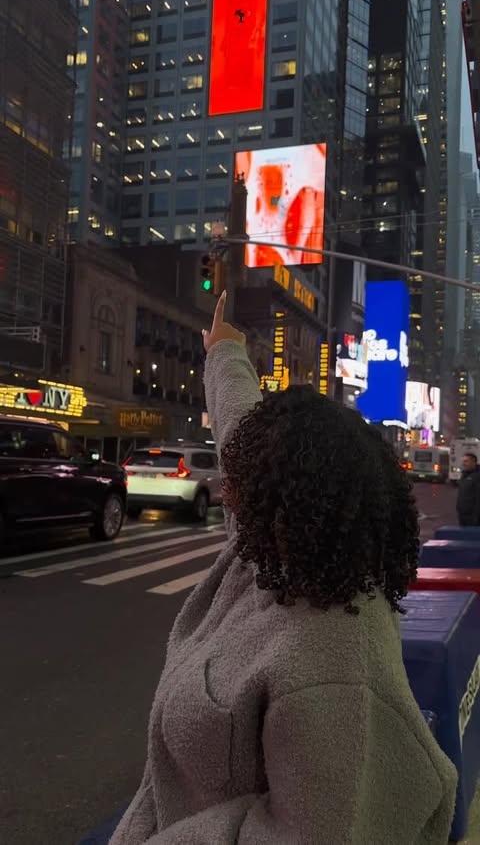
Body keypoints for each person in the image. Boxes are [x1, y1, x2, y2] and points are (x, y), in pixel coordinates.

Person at [110, 292, 457, 845]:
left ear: (289, 500)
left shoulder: (333, 659)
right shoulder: (276, 552)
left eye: (245, 479)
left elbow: (320, 833)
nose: (227, 490)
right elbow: (240, 429)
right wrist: (225, 353)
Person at [457, 452, 480, 526]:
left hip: (473, 517)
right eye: (463, 461)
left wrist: (476, 518)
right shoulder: (464, 475)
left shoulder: (477, 476)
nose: (464, 464)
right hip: (462, 515)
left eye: (466, 461)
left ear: (473, 462)